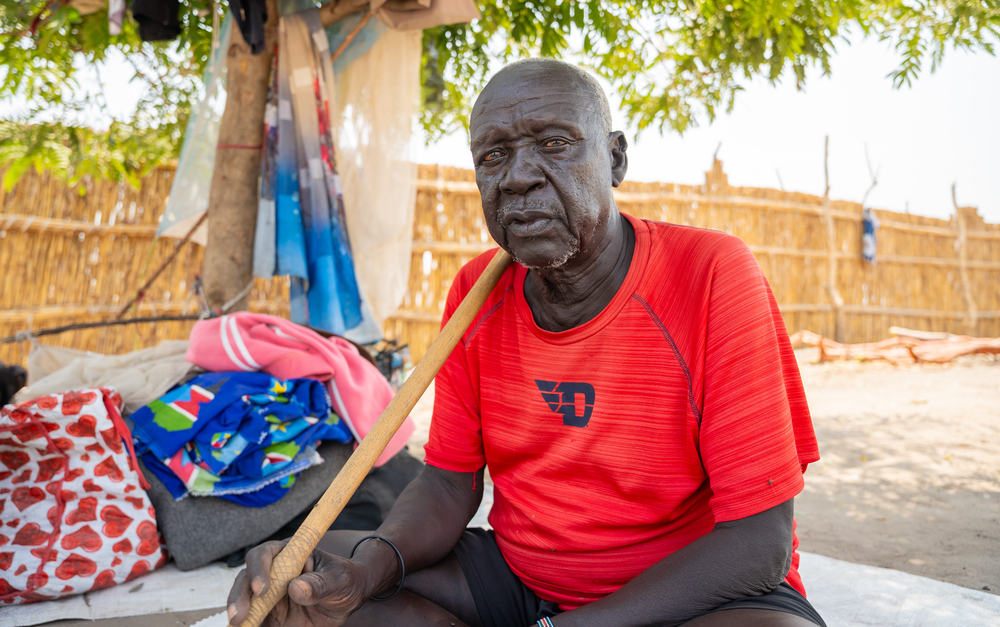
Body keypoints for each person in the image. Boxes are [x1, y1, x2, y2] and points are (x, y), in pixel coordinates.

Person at [227, 58, 825, 627]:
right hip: (523, 579)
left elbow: (758, 544)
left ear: (615, 159)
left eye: (555, 143)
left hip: (687, 595)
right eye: (494, 155)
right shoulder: (475, 293)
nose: (517, 177)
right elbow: (445, 482)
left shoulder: (709, 272)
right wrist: (367, 573)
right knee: (306, 579)